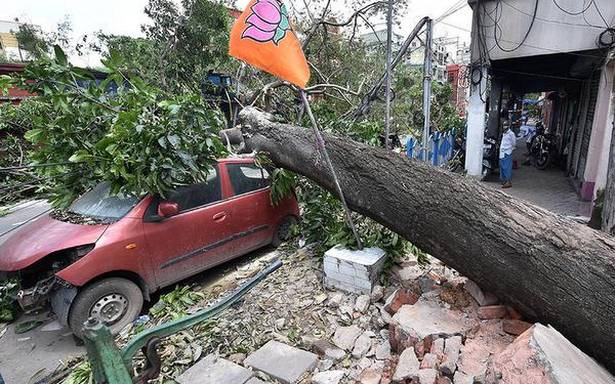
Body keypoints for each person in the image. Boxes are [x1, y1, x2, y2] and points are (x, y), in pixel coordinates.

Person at [499, 122, 516, 188]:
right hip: (502, 152)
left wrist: (510, 149)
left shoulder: (511, 134)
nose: (504, 128)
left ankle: (508, 181)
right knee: (502, 167)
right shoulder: (504, 133)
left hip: (507, 152)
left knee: (507, 167)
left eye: (505, 126)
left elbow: (513, 143)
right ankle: (504, 180)